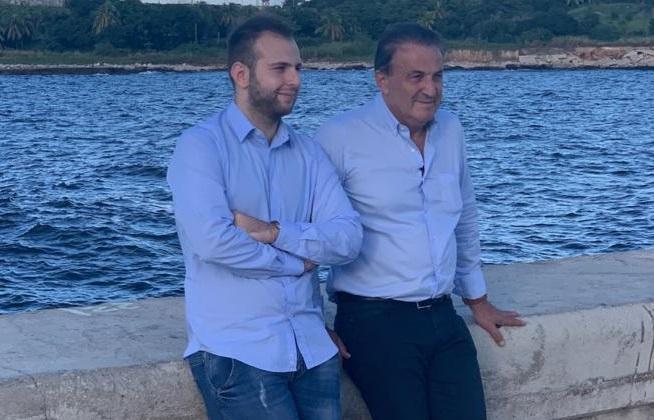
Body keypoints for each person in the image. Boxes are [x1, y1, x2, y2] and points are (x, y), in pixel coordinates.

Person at [315, 23, 525, 420]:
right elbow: (309, 235)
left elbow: (464, 216)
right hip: (373, 321)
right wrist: (311, 321)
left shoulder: (451, 129)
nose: (430, 89)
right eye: (416, 77)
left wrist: (477, 299)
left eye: (437, 76)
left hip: (442, 315)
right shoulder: (339, 137)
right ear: (382, 80)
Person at [167, 16, 362, 420]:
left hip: (313, 348)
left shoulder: (309, 154)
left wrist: (273, 232)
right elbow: (213, 241)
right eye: (280, 68)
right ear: (241, 74)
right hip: (238, 352)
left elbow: (347, 239)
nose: (295, 80)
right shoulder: (201, 147)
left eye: (298, 68)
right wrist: (297, 262)